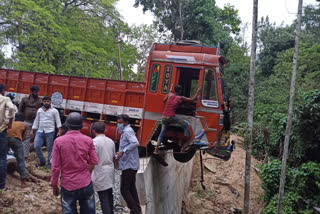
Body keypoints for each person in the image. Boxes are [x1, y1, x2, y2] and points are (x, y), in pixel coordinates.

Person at [51, 112, 98, 214]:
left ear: (67, 125)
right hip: (85, 183)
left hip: (67, 184)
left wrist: (54, 185)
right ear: (81, 126)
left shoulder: (58, 141)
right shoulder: (88, 140)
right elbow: (94, 161)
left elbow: (55, 167)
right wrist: (86, 174)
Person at [154, 85, 201, 154]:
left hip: (164, 117)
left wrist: (168, 93)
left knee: (162, 132)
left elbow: (163, 101)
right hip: (171, 117)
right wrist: (198, 91)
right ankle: (189, 139)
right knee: (185, 124)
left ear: (174, 90)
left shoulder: (170, 95)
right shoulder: (180, 98)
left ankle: (156, 149)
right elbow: (192, 100)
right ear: (180, 91)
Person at [116, 114, 141, 214]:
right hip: (130, 164)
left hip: (129, 165)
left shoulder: (127, 131)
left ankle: (134, 209)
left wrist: (123, 151)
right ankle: (137, 209)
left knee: (124, 189)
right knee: (131, 188)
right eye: (118, 123)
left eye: (120, 123)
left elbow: (135, 143)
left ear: (126, 122)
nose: (118, 125)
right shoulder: (125, 131)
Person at [91, 122, 115, 214]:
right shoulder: (111, 141)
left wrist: (89, 173)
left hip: (100, 171)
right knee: (109, 195)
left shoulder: (94, 142)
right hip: (110, 170)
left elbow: (92, 160)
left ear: (93, 131)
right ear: (104, 130)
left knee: (103, 198)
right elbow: (114, 157)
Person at [31, 96, 61, 167]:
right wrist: (32, 130)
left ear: (50, 102)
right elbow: (36, 120)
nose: (46, 103)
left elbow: (58, 121)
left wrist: (59, 131)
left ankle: (50, 164)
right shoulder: (39, 110)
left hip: (50, 131)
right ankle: (42, 161)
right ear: (42, 102)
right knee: (37, 146)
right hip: (40, 131)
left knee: (50, 148)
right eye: (45, 101)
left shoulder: (54, 111)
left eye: (48, 101)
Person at [7, 113, 31, 188]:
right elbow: (23, 138)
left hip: (5, 139)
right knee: (20, 160)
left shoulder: (9, 123)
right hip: (17, 140)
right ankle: (23, 182)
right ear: (23, 120)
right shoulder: (25, 125)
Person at [18, 85, 42, 159]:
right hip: (27, 121)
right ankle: (25, 155)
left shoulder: (41, 100)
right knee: (26, 138)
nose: (37, 93)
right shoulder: (25, 99)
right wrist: (21, 121)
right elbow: (20, 110)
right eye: (35, 92)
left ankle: (38, 157)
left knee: (38, 138)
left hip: (37, 122)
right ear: (31, 92)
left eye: (37, 92)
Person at [0, 84, 15, 191]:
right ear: (3, 91)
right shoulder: (5, 99)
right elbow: (11, 108)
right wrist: (10, 121)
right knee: (2, 158)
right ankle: (1, 186)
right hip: (1, 131)